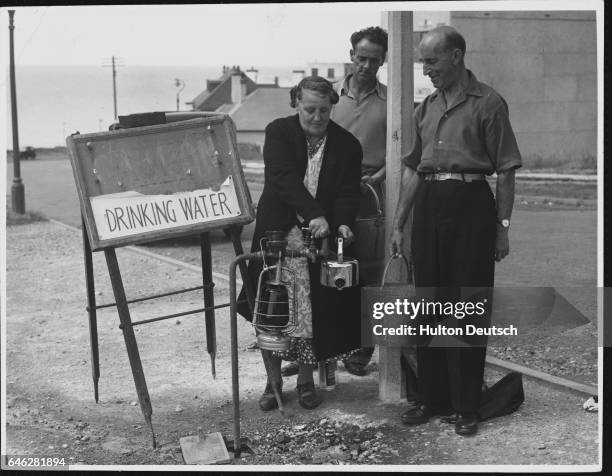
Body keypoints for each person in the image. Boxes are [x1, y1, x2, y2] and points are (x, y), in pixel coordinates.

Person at [390, 26, 522, 436]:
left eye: (431, 60)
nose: (426, 69)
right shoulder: (425, 107)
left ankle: (466, 406)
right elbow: (414, 168)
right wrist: (399, 224)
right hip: (429, 205)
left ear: (457, 56)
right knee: (429, 304)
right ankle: (433, 399)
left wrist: (502, 229)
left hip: (471, 208)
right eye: (422, 61)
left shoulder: (489, 103)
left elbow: (505, 172)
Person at [237, 76, 363, 411]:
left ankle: (306, 380)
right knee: (272, 311)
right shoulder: (278, 132)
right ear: (296, 103)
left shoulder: (348, 145)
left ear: (332, 105)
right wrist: (314, 214)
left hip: (317, 244)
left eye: (324, 110)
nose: (317, 117)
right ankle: (273, 381)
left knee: (310, 313)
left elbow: (349, 193)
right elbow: (282, 179)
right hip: (277, 235)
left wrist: (344, 223)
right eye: (310, 109)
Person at [281, 26, 388, 379]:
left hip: (368, 196)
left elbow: (403, 150)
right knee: (311, 274)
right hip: (321, 200)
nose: (367, 65)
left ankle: (359, 350)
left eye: (375, 59)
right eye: (362, 57)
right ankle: (312, 351)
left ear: (383, 60)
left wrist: (379, 176)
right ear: (351, 57)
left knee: (364, 274)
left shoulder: (392, 103)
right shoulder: (327, 98)